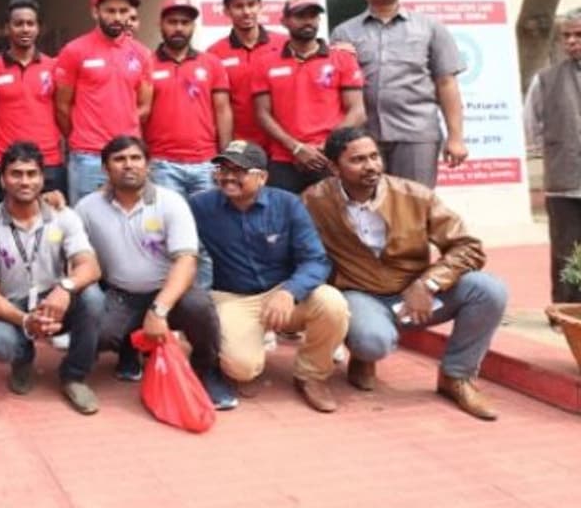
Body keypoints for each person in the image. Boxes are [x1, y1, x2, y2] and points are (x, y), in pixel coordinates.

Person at [303, 127, 507, 420]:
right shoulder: (314, 201)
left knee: (489, 291)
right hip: (360, 295)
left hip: (417, 296)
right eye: (358, 160)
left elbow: (468, 247)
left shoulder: (415, 195)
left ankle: (456, 377)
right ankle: (363, 353)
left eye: (374, 156)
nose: (371, 165)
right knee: (373, 341)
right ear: (334, 167)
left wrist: (429, 283)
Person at [74, 136, 237, 410]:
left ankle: (208, 369)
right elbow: (69, 247)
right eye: (119, 159)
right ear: (105, 168)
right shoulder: (88, 207)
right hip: (122, 295)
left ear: (148, 165)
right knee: (96, 332)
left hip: (169, 294)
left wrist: (159, 310)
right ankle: (129, 347)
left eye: (136, 158)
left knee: (199, 306)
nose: (129, 165)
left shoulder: (171, 202)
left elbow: (186, 260)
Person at [187, 141, 349, 412]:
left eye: (239, 170)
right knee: (241, 368)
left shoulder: (288, 205)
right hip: (233, 297)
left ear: (262, 177)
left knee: (333, 304)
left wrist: (289, 291)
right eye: (223, 169)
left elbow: (315, 259)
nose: (227, 176)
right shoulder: (200, 206)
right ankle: (248, 356)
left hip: (284, 293)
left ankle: (312, 375)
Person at [0, 142, 106, 413]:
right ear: (2, 179)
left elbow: (91, 267)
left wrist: (65, 288)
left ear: (42, 178)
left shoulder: (63, 216)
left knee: (93, 298)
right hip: (15, 307)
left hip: (56, 302)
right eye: (16, 174)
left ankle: (74, 376)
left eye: (32, 174)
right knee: (1, 342)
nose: (24, 181)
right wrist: (26, 320)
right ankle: (22, 361)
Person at [330, 0, 467, 187]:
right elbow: (333, 87)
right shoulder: (344, 32)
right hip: (363, 137)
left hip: (416, 134)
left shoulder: (430, 28)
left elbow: (446, 83)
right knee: (369, 208)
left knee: (414, 206)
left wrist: (456, 138)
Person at [253, 0, 366, 194]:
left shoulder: (342, 59)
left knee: (333, 222)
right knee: (282, 223)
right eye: (300, 16)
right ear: (284, 21)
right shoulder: (265, 62)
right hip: (284, 158)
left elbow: (357, 111)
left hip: (330, 157)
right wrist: (296, 148)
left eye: (313, 15)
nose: (307, 21)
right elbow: (262, 114)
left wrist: (325, 147)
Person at [55, 0, 153, 203]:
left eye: (123, 11)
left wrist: (122, 125)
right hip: (88, 157)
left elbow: (145, 106)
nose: (117, 17)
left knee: (132, 222)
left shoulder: (142, 53)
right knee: (87, 226)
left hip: (129, 156)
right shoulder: (74, 50)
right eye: (110, 11)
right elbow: (62, 106)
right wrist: (83, 134)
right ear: (95, 12)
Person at [143, 0, 232, 198]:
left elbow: (223, 110)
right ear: (160, 25)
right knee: (166, 226)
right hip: (161, 163)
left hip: (205, 163)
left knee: (208, 225)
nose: (179, 28)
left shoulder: (211, 63)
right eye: (172, 22)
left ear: (193, 26)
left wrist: (225, 158)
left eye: (185, 23)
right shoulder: (146, 64)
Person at [525, 10, 581, 303]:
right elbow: (531, 123)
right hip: (565, 179)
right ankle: (567, 309)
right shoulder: (546, 79)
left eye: (578, 35)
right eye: (567, 36)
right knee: (565, 247)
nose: (571, 41)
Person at [0, 0, 66, 196]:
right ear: (7, 28)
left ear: (38, 28)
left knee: (52, 225)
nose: (25, 29)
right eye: (18, 24)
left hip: (48, 162)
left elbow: (65, 109)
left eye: (30, 24)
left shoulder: (54, 67)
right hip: (6, 163)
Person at [207, 0, 285, 149]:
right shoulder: (214, 53)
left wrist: (339, 49)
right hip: (239, 146)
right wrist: (225, 149)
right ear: (227, 11)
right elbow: (217, 107)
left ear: (260, 6)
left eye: (251, 5)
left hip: (282, 144)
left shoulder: (284, 44)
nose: (246, 12)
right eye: (238, 6)